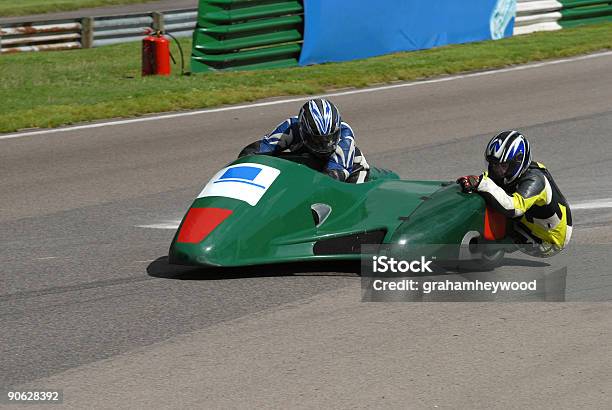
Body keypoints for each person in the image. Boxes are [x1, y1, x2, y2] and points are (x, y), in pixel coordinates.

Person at [457, 130, 572, 257]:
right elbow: (487, 181)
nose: (497, 171)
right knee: (486, 193)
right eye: (493, 165)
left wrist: (483, 184)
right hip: (529, 222)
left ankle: (490, 247)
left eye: (503, 166)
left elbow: (514, 207)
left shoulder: (535, 180)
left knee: (494, 204)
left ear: (517, 162)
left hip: (547, 239)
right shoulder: (512, 174)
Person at [250, 98, 369, 183]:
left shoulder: (345, 134)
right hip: (311, 167)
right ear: (302, 130)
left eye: (329, 138)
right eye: (317, 139)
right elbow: (258, 150)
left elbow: (335, 176)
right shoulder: (291, 127)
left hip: (351, 173)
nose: (324, 144)